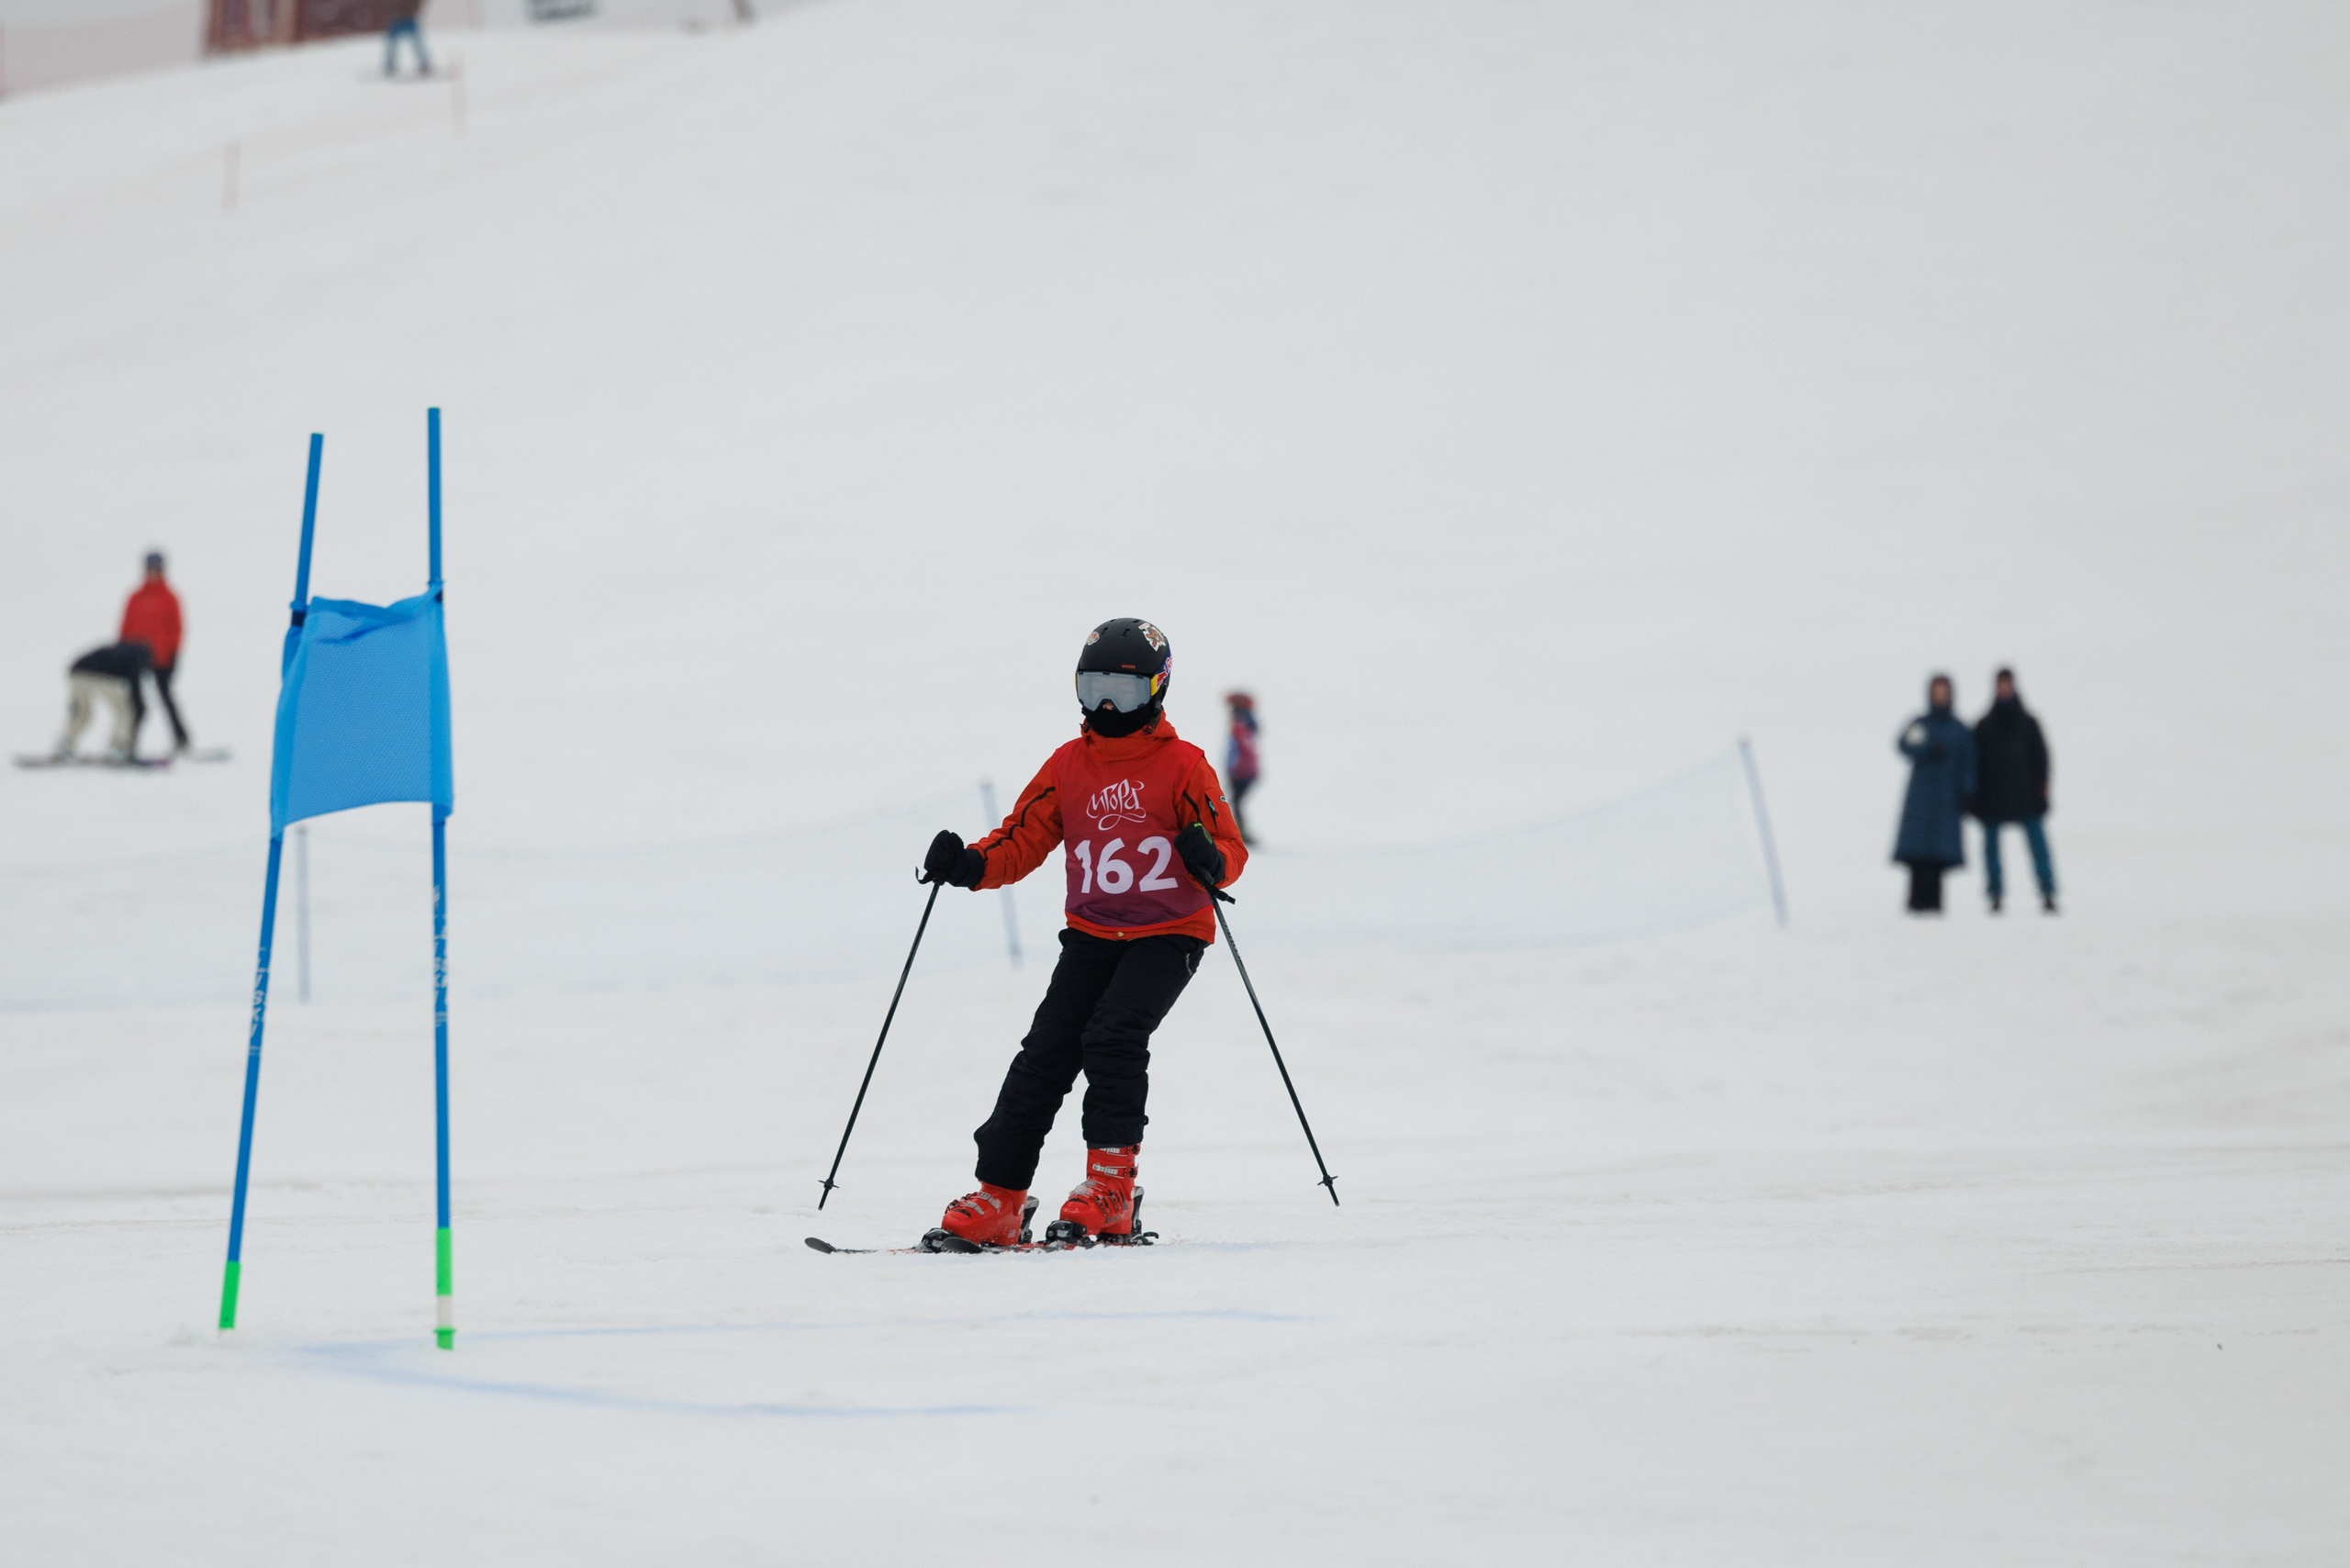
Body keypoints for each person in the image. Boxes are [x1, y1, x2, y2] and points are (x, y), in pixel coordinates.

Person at [919, 618, 1248, 1248]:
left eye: (1123, 692)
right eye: (1094, 690)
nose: (1106, 707)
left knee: (1114, 1036)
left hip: (1169, 932)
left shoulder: (1184, 765)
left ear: (1156, 690)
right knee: (1045, 1054)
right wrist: (969, 865)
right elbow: (1021, 838)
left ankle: (1112, 1188)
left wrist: (1210, 859)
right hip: (1093, 933)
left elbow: (1230, 848)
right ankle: (1000, 1196)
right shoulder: (1069, 765)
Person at [1971, 667, 2058, 914]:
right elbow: (1975, 764)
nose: (2004, 689)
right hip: (1993, 797)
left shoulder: (2028, 723)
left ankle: (2048, 892)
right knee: (1991, 849)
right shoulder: (1985, 725)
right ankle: (1995, 895)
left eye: (2007, 685)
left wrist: (2042, 791)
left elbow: (2041, 760)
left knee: (2038, 846)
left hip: (2026, 796)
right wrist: (1975, 797)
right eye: (2000, 685)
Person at [1893, 673, 1974, 913]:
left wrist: (1967, 793)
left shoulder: (1959, 730)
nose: (1940, 697)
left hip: (1947, 802)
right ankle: (1915, 905)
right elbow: (1904, 744)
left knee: (1938, 859)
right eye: (1936, 692)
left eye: (1943, 692)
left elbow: (1969, 763)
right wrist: (1927, 749)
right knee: (1918, 858)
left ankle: (1934, 907)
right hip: (1920, 801)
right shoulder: (1921, 724)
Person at [119, 551, 189, 756]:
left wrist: (174, 654)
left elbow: (176, 628)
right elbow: (126, 626)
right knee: (135, 702)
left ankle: (181, 739)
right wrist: (122, 653)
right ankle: (128, 742)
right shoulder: (136, 597)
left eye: (156, 569)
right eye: (150, 569)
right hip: (135, 657)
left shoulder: (170, 597)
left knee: (165, 698)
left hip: (161, 658)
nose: (153, 573)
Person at [56, 643, 151, 762]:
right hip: (101, 675)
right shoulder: (137, 659)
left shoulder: (124, 650)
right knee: (125, 710)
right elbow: (135, 689)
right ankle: (118, 746)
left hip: (77, 671)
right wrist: (139, 707)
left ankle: (65, 744)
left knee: (83, 712)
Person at [1224, 689, 1260, 846]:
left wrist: (1234, 768)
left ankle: (1241, 833)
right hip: (1247, 770)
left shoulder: (1239, 724)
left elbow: (1239, 749)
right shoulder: (1247, 723)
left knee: (1236, 803)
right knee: (1236, 803)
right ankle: (1240, 832)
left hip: (1241, 771)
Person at [385, 0, 431, 77]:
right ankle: (390, 64)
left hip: (409, 18)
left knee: (417, 43)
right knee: (392, 44)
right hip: (398, 18)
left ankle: (424, 63)